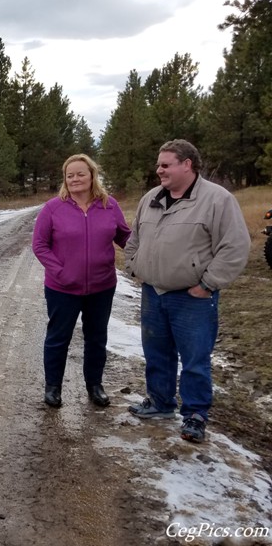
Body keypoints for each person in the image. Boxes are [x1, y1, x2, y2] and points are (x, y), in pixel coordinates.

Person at [125, 139, 250, 443]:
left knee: (195, 358)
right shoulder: (151, 198)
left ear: (187, 165)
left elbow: (235, 246)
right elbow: (135, 239)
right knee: (157, 353)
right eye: (158, 165)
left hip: (192, 297)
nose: (159, 171)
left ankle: (195, 414)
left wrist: (208, 284)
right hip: (154, 293)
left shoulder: (217, 200)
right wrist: (134, 267)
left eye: (165, 165)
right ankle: (160, 403)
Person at [32, 154, 131, 409]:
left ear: (92, 176)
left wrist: (150, 256)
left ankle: (95, 386)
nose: (75, 179)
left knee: (96, 338)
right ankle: (53, 388)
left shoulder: (110, 206)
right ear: (65, 179)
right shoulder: (53, 208)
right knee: (58, 338)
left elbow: (126, 238)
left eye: (80, 174)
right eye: (70, 175)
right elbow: (40, 245)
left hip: (102, 286)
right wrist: (61, 272)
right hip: (62, 288)